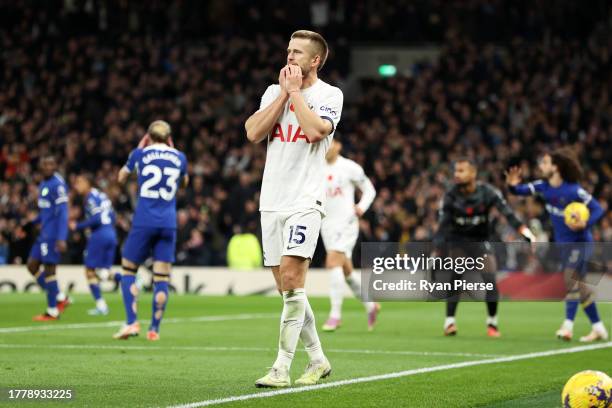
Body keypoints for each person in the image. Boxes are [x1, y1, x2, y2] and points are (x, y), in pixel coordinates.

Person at [245, 30, 343, 387]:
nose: (289, 57)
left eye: (297, 52)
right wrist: (284, 94)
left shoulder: (330, 94)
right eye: (288, 50)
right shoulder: (274, 92)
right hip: (271, 201)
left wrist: (297, 94)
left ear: (314, 60)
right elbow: (253, 132)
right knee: (287, 291)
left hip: (306, 199)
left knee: (291, 279)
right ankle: (318, 359)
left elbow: (317, 131)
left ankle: (281, 367)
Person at [506, 148, 608, 342]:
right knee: (582, 287)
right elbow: (520, 190)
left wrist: (585, 223)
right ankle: (598, 328)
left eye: (545, 163)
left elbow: (597, 208)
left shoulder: (573, 190)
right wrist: (512, 186)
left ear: (557, 167)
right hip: (564, 245)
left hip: (580, 242)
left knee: (570, 280)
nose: (541, 166)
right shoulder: (544, 187)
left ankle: (567, 326)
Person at [434, 158, 536, 337]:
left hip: (480, 240)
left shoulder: (487, 192)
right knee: (456, 276)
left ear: (473, 173)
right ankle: (449, 322)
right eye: (456, 171)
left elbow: (507, 213)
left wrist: (524, 231)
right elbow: (443, 225)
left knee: (489, 278)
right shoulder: (450, 195)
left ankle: (492, 323)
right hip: (458, 240)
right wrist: (437, 250)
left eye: (461, 171)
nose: (457, 174)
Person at [113, 120, 188, 341]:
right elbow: (184, 184)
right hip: (168, 222)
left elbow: (120, 178)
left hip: (144, 220)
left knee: (128, 270)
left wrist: (139, 151)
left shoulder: (140, 154)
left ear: (148, 136)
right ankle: (154, 329)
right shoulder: (180, 157)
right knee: (162, 276)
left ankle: (131, 322)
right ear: (169, 138)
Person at [320, 139, 379, 332]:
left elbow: (369, 190)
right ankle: (371, 305)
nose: (327, 147)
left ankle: (335, 315)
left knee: (332, 262)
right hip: (326, 224)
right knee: (346, 271)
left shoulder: (349, 167)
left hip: (346, 223)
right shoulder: (316, 165)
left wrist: (361, 208)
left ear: (338, 145)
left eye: (330, 143)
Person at [27, 155, 70, 321]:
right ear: (40, 166)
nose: (47, 167)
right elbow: (46, 211)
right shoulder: (43, 184)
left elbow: (63, 212)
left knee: (50, 271)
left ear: (55, 166)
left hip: (52, 235)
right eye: (45, 164)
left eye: (51, 164)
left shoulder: (57, 184)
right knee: (31, 265)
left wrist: (61, 237)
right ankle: (59, 296)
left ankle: (52, 310)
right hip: (43, 233)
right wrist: (30, 223)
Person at [70, 174, 119, 316]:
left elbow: (96, 219)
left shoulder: (90, 197)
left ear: (87, 183)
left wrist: (77, 226)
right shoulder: (101, 195)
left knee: (89, 271)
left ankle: (101, 306)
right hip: (111, 233)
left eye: (79, 182)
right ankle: (131, 280)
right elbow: (113, 216)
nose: (76, 186)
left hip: (99, 235)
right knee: (103, 272)